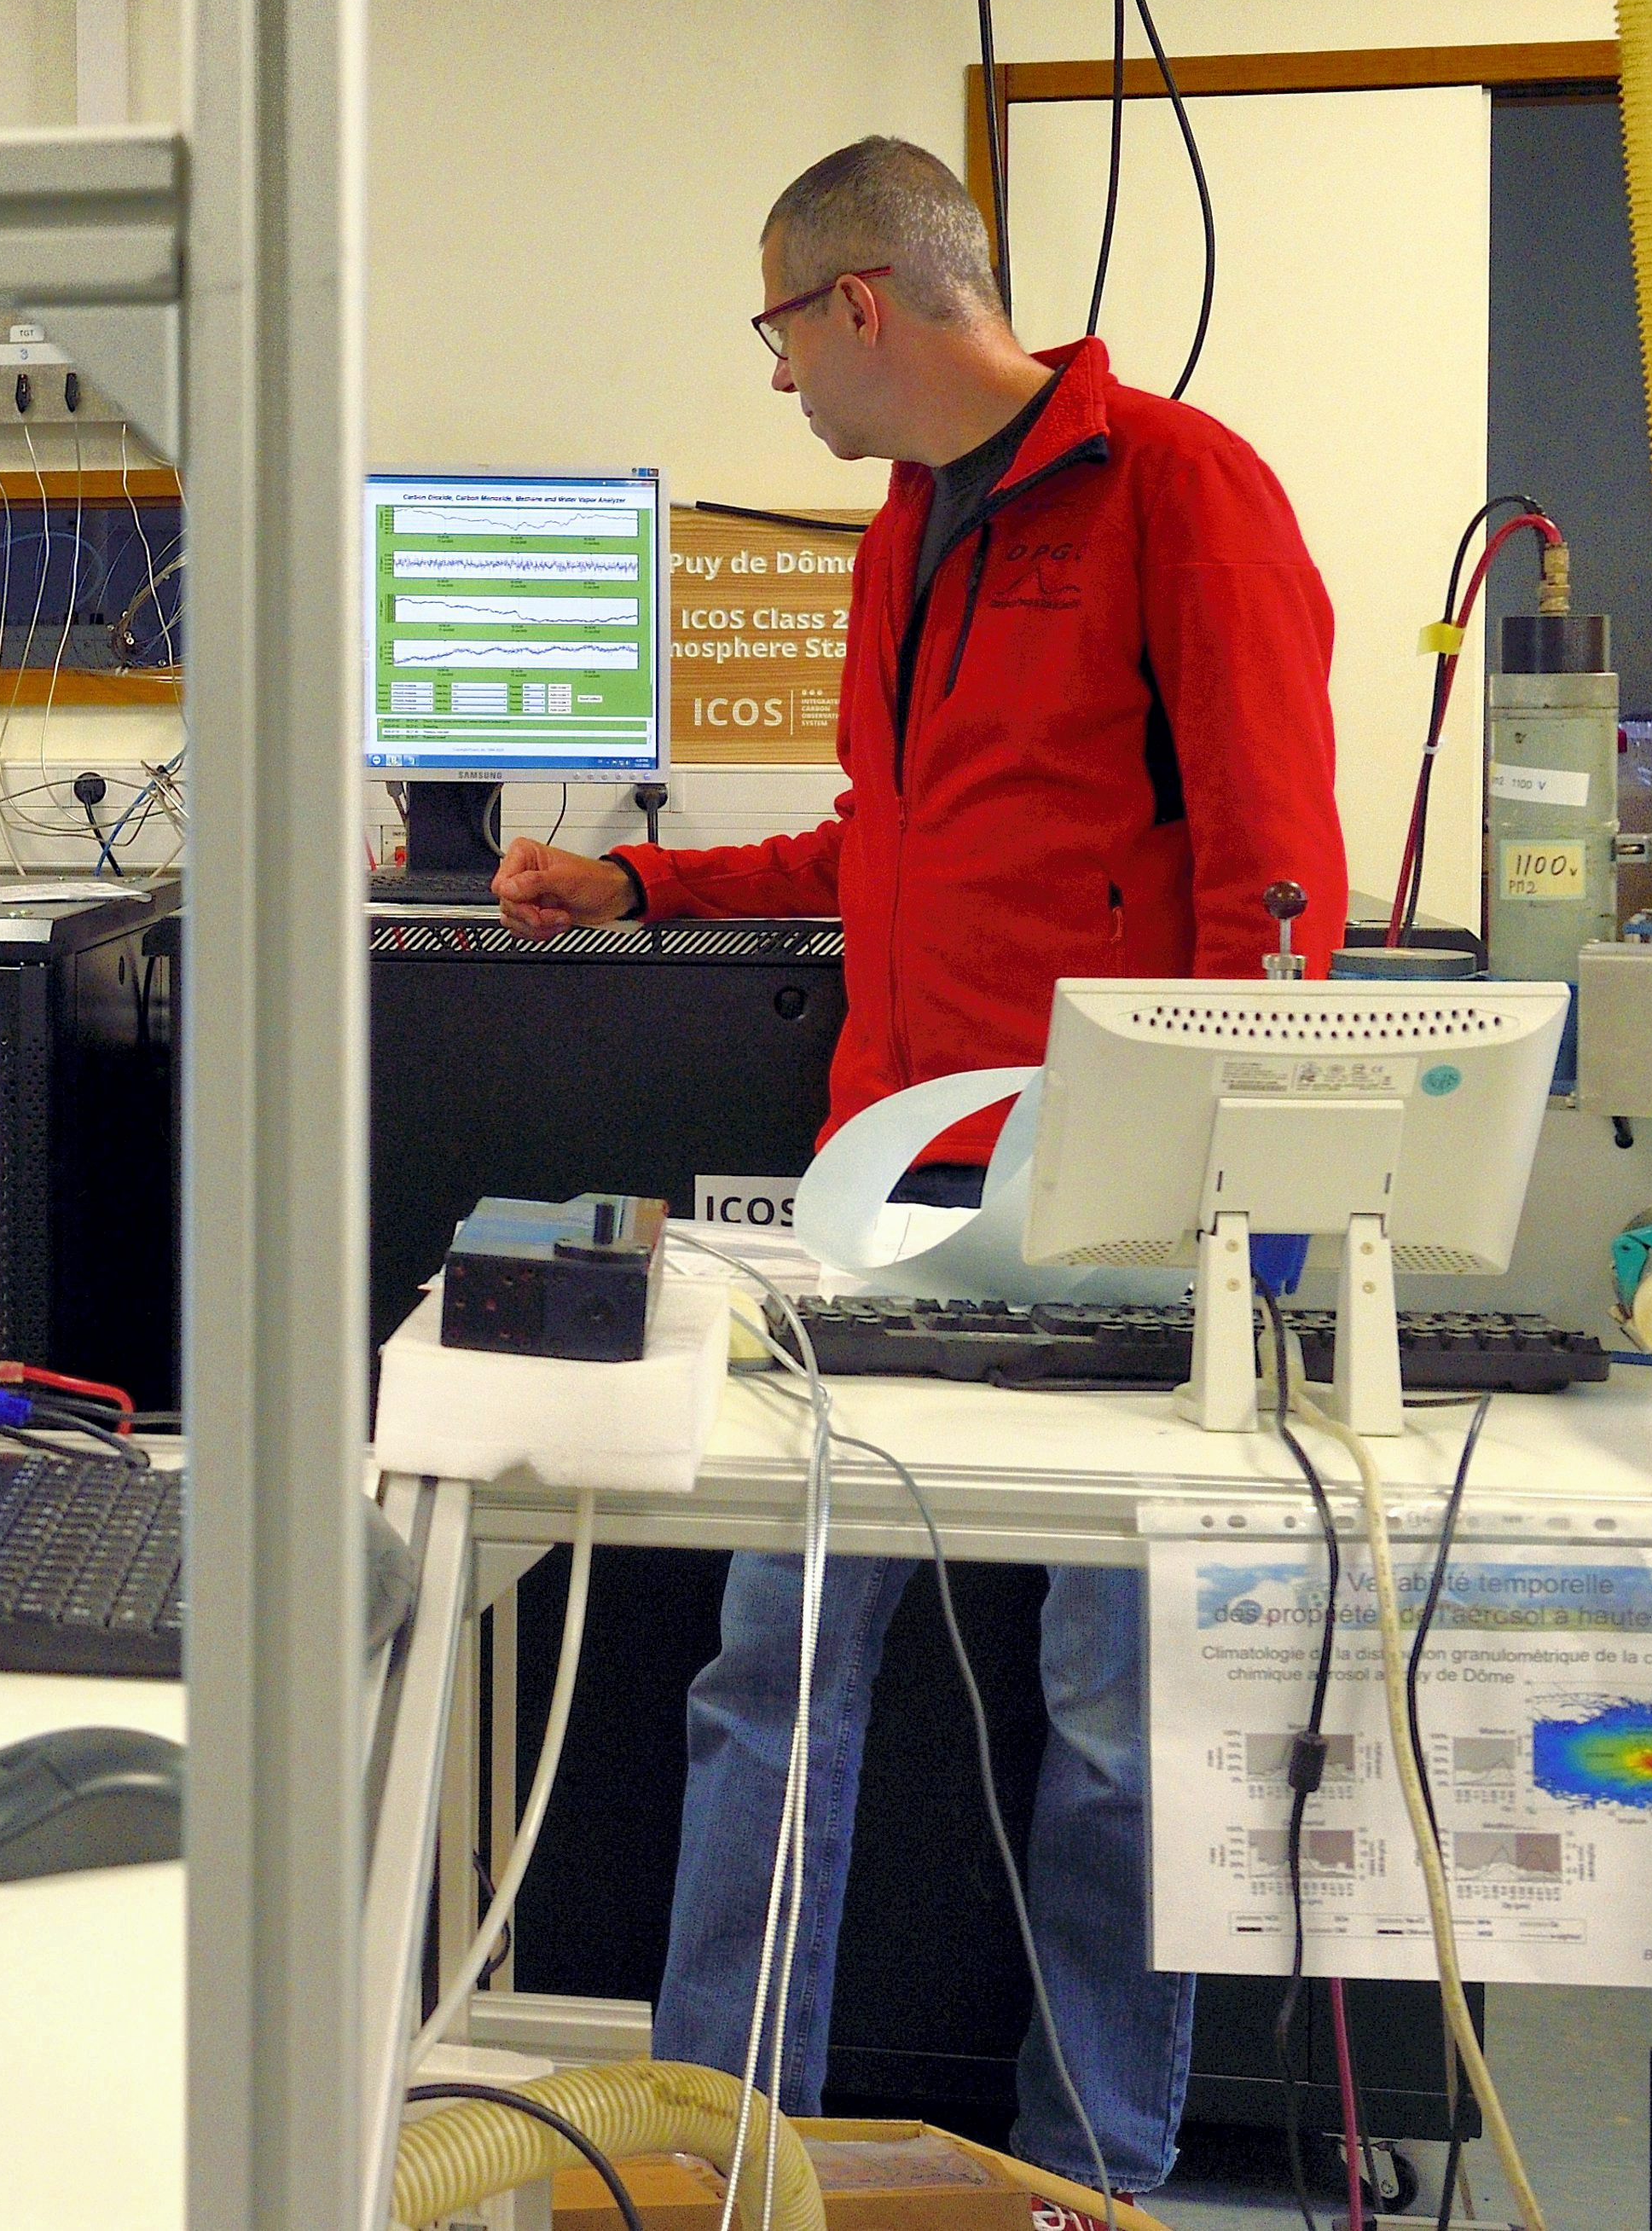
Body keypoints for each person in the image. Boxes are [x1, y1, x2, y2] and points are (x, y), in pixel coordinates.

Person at [494, 135, 1345, 2191]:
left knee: (1118, 1731)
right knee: (765, 1675)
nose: (776, 380)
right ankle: (713, 2152)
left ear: (859, 303)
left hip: (1119, 1213)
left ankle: (1097, 2170)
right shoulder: (902, 525)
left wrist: (1258, 1209)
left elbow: (1278, 875)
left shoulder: (1180, 490)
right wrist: (643, 883)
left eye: (780, 331)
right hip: (875, 1203)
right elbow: (888, 838)